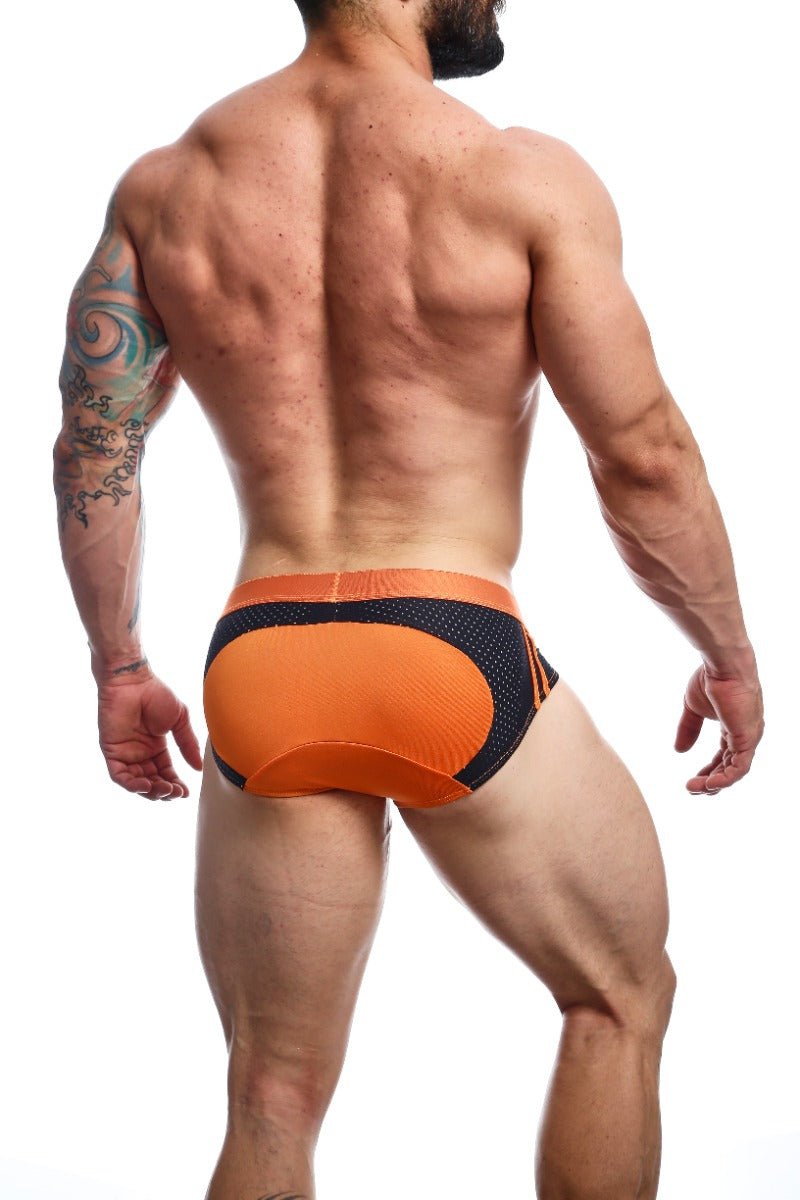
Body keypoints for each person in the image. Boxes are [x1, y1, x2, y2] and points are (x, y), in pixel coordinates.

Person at [52, 1, 764, 1196]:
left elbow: (93, 445)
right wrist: (726, 650)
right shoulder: (517, 177)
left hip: (263, 659)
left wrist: (118, 665)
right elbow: (640, 453)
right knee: (616, 998)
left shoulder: (167, 190)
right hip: (448, 641)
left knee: (269, 1096)